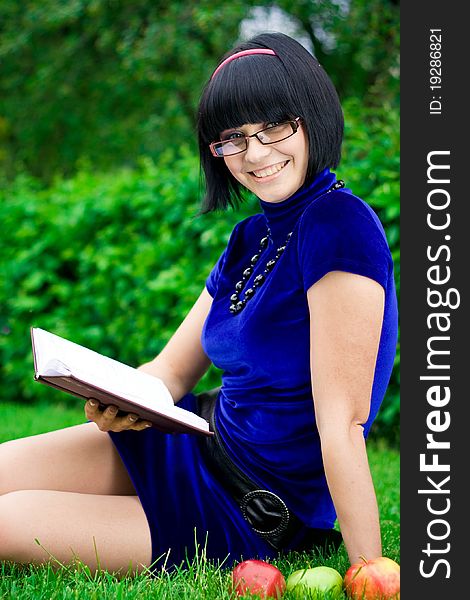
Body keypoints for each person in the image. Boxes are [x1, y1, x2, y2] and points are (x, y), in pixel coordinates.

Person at [0, 32, 398, 575]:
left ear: (313, 116)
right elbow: (169, 371)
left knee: (9, 520)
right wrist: (115, 399)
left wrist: (368, 568)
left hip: (246, 504)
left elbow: (342, 424)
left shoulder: (340, 225)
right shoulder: (249, 238)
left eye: (274, 126)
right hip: (191, 436)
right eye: (233, 137)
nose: (255, 153)